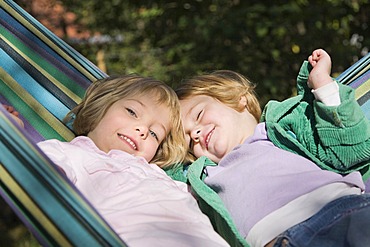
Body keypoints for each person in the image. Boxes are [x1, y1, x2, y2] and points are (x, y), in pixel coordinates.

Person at [3, 75, 229, 247]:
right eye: (132, 112)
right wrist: (15, 135)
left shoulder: (158, 173)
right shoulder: (70, 154)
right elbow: (35, 174)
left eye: (154, 134)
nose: (142, 130)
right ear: (100, 108)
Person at [177, 49, 370, 247]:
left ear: (236, 98)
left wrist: (322, 84)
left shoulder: (280, 129)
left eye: (198, 115)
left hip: (342, 210)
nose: (195, 134)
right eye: (189, 142)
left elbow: (350, 150)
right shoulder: (203, 178)